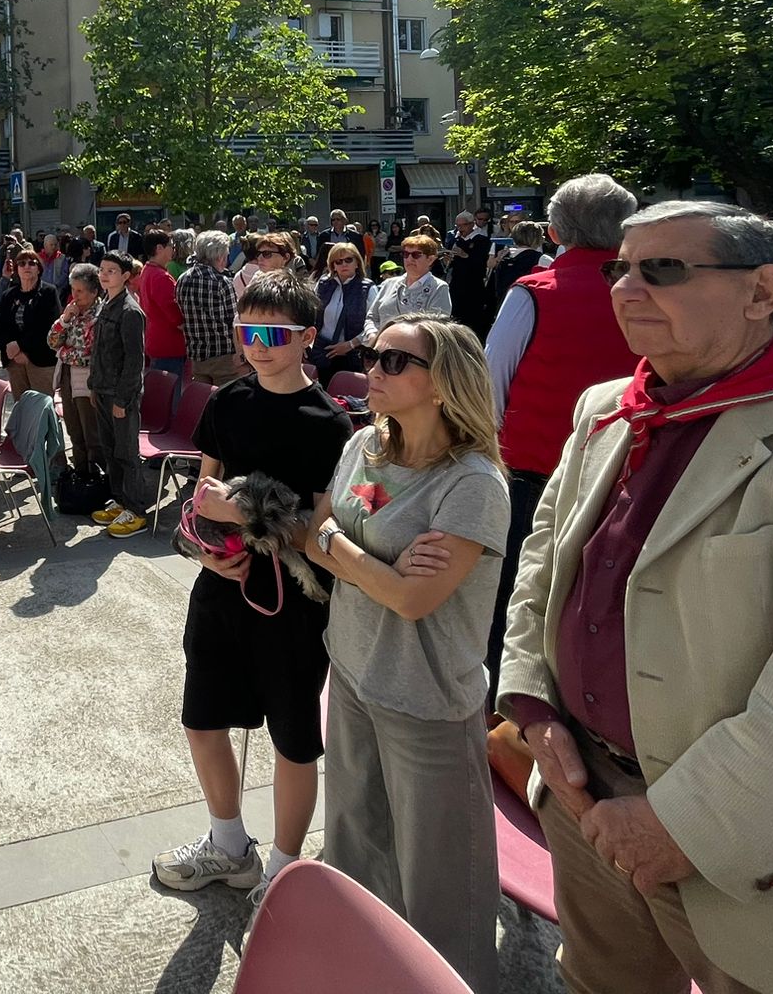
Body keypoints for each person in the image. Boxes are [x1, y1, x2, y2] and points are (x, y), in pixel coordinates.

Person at [497, 200, 773, 994]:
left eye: (662, 269)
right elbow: (542, 565)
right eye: (621, 269)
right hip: (582, 794)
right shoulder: (605, 408)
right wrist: (531, 705)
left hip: (739, 839)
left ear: (762, 291)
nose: (626, 288)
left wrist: (681, 827)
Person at [305, 314, 510, 991]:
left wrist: (347, 552)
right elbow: (322, 534)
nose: (372, 370)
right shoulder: (367, 445)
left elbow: (414, 600)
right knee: (355, 843)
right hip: (353, 671)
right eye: (372, 354)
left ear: (444, 384)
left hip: (426, 698)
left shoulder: (471, 484)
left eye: (394, 362)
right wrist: (372, 561)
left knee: (443, 883)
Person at [152, 272, 352, 900]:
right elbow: (202, 493)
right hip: (223, 586)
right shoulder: (227, 402)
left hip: (295, 602)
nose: (258, 346)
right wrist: (206, 551)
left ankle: (284, 872)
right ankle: (228, 844)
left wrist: (244, 513)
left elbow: (323, 532)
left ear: (308, 338)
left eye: (274, 334)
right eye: (248, 332)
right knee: (202, 718)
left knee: (294, 740)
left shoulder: (329, 423)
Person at [482, 172, 639, 675]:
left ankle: (508, 702)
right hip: (628, 475)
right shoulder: (650, 292)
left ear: (553, 232)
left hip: (533, 474)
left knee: (519, 600)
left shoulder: (534, 292)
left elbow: (490, 384)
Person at [87, 252, 151, 537]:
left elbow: (134, 362)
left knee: (126, 452)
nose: (104, 274)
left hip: (120, 395)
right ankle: (120, 500)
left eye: (111, 271)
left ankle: (136, 511)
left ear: (125, 276)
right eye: (102, 269)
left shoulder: (130, 311)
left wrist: (122, 400)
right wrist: (94, 386)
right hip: (102, 389)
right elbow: (98, 351)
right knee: (110, 450)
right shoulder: (106, 304)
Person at [48, 262, 103, 488]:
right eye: (73, 289)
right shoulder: (72, 312)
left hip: (87, 382)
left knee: (91, 433)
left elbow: (89, 354)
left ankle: (97, 479)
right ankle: (80, 477)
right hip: (67, 379)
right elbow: (52, 341)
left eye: (80, 291)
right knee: (74, 430)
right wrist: (64, 320)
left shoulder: (99, 316)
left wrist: (64, 352)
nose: (75, 295)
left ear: (94, 291)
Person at [0, 246, 61, 398]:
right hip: (14, 360)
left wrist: (21, 347)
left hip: (41, 360)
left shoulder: (49, 292)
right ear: (17, 269)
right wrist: (11, 347)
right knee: (21, 406)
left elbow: (48, 327)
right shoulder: (9, 295)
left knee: (41, 406)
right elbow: (0, 326)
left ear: (39, 269)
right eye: (22, 263)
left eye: (32, 263)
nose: (26, 267)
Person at [175, 230, 239, 387]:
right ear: (219, 256)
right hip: (223, 354)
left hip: (197, 353)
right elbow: (234, 321)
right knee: (226, 397)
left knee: (202, 398)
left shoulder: (183, 279)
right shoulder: (222, 282)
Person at [362, 233, 452, 339]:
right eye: (405, 254)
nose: (409, 259)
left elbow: (436, 328)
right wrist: (372, 335)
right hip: (381, 345)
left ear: (430, 259)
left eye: (416, 255)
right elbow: (372, 317)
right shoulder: (389, 284)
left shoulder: (439, 288)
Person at [313, 242, 374, 385]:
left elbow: (375, 324)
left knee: (344, 392)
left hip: (352, 354)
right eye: (338, 262)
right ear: (332, 265)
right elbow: (311, 314)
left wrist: (350, 345)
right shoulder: (323, 284)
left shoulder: (368, 288)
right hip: (321, 350)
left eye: (348, 260)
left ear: (357, 263)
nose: (343, 264)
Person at [136, 228, 187, 380]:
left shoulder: (147, 270)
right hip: (169, 345)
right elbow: (175, 315)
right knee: (171, 390)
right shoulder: (161, 276)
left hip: (156, 340)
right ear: (159, 248)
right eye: (170, 245)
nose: (173, 249)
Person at [440, 212, 494, 337]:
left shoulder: (482, 240)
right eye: (457, 226)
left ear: (471, 224)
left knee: (474, 318)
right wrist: (447, 260)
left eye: (463, 225)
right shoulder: (455, 240)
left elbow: (482, 263)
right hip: (456, 283)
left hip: (474, 284)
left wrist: (465, 255)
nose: (460, 229)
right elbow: (449, 266)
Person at [487, 219, 548, 315]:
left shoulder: (503, 257)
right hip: (529, 310)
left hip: (504, 308)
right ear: (537, 238)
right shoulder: (542, 260)